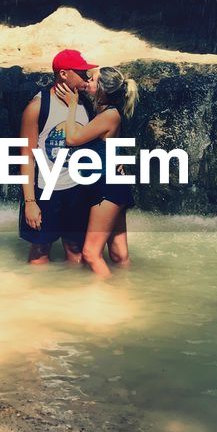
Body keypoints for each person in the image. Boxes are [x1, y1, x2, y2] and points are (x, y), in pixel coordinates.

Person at [54, 66, 139, 277]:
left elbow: (72, 139)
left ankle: (104, 302)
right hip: (114, 183)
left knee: (91, 254)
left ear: (102, 89)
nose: (87, 82)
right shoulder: (106, 111)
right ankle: (127, 291)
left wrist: (71, 105)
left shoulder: (109, 115)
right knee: (119, 255)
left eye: (92, 80)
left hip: (106, 186)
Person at [18, 48, 99, 266]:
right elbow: (26, 156)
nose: (87, 77)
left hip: (77, 189)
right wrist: (30, 202)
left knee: (76, 251)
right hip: (45, 190)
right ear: (63, 74)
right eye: (81, 73)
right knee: (39, 253)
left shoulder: (84, 104)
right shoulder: (37, 107)